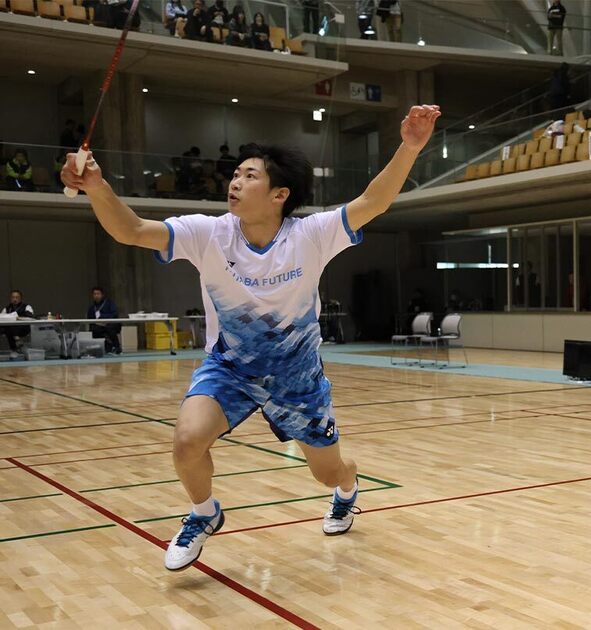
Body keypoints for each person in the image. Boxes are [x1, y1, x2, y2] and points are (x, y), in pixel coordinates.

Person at [60, 104, 441, 571]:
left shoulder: (312, 235)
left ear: (280, 193)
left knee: (327, 472)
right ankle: (204, 513)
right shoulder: (208, 233)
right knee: (186, 443)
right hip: (230, 369)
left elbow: (373, 202)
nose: (235, 183)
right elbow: (131, 230)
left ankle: (347, 487)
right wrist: (96, 185)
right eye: (235, 174)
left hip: (297, 377)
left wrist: (410, 146)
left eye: (249, 176)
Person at [87, 286, 122, 355]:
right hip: (98, 325)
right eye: (94, 294)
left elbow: (114, 314)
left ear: (102, 295)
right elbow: (90, 319)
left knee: (110, 328)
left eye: (98, 294)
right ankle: (101, 348)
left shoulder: (110, 303)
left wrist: (102, 317)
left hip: (111, 323)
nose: (96, 296)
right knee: (94, 329)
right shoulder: (92, 308)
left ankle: (117, 347)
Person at [2, 290, 34, 359]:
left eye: (17, 297)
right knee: (7, 328)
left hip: (23, 328)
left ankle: (14, 348)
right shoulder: (6, 308)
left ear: (21, 298)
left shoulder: (27, 306)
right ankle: (17, 343)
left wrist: (18, 317)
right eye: (13, 297)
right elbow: (2, 318)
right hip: (10, 329)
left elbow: (30, 316)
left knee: (10, 328)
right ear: (10, 298)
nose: (15, 299)